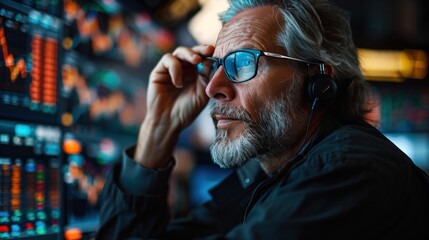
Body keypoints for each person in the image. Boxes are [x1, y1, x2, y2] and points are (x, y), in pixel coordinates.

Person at [96, 0, 429, 239]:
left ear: (317, 82)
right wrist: (159, 128)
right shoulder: (267, 173)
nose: (213, 88)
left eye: (242, 63)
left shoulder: (349, 169)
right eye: (215, 66)